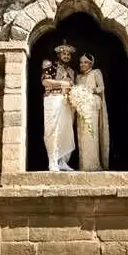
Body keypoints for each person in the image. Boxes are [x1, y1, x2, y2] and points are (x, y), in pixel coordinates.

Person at [42, 41, 77, 172]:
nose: (67, 56)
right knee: (52, 130)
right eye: (64, 53)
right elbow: (45, 81)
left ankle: (62, 161)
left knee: (66, 131)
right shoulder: (50, 65)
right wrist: (62, 83)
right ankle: (52, 161)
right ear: (59, 54)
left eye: (68, 54)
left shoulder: (72, 71)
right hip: (53, 99)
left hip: (67, 102)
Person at [73, 53, 110, 171]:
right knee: (82, 135)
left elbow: (101, 88)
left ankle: (93, 164)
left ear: (90, 63)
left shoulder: (96, 73)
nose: (82, 64)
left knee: (91, 134)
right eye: (81, 62)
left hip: (92, 106)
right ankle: (84, 165)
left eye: (85, 62)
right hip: (81, 107)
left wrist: (90, 90)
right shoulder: (78, 77)